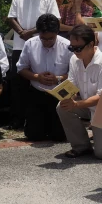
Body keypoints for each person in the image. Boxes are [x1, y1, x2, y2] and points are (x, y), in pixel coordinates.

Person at [7, 0, 60, 129]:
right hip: (19, 44)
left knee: (39, 79)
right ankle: (17, 118)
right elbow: (11, 17)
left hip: (41, 43)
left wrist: (31, 31)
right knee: (17, 82)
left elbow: (53, 20)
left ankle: (37, 117)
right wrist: (21, 32)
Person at [57, 25, 102, 159]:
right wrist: (65, 96)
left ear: (91, 44)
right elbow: (72, 87)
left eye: (78, 48)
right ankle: (81, 146)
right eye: (72, 48)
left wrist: (76, 104)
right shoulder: (74, 59)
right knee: (62, 107)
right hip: (86, 105)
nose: (75, 51)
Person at [16, 14, 71, 142]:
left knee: (59, 137)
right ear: (38, 34)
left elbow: (75, 73)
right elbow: (21, 68)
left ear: (57, 32)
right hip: (37, 93)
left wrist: (58, 78)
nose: (47, 42)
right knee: (34, 136)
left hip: (59, 94)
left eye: (51, 39)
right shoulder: (30, 44)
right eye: (43, 39)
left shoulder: (67, 46)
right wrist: (36, 77)